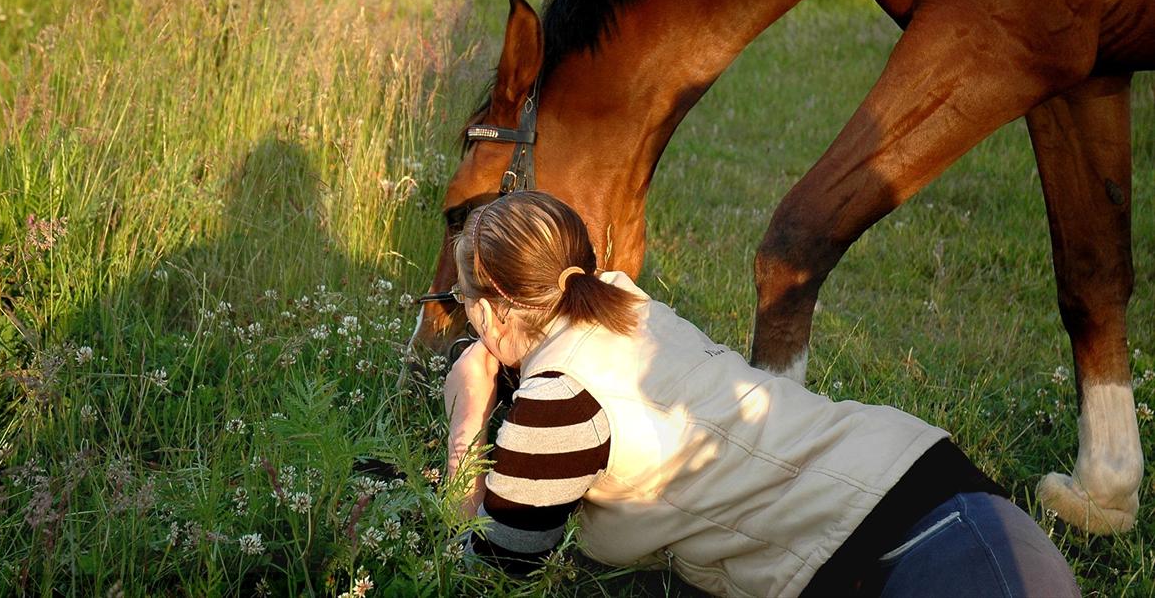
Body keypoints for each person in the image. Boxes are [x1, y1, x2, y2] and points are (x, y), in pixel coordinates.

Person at [443, 191, 1079, 597]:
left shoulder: (559, 404)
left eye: (464, 299)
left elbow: (490, 572)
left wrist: (469, 413)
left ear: (497, 301)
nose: (464, 313)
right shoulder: (629, 307)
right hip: (958, 509)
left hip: (923, 555)